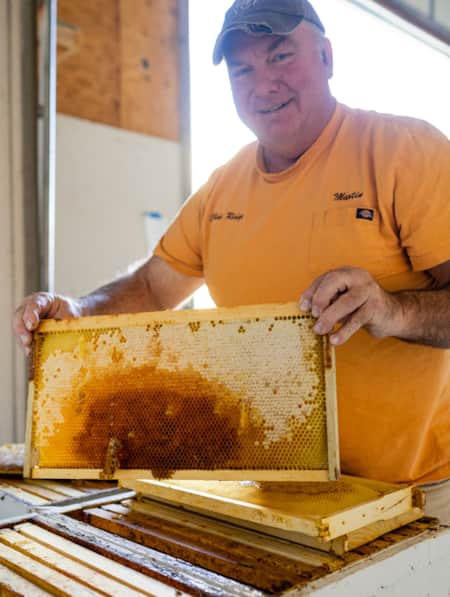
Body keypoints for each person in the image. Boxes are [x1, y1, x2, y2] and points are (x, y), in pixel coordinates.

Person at [14, 0, 450, 519]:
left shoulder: (405, 151)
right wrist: (81, 310)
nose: (264, 83)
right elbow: (154, 288)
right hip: (273, 496)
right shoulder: (222, 189)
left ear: (327, 56)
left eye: (281, 56)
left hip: (419, 497)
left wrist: (391, 310)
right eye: (243, 69)